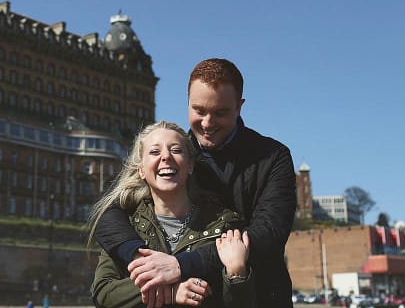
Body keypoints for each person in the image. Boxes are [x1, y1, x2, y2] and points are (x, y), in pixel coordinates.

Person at [94, 58, 297, 307]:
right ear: (187, 102)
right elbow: (105, 211)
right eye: (199, 110)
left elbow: (268, 234)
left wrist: (180, 265)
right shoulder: (176, 153)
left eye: (220, 112)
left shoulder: (273, 156)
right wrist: (141, 259)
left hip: (262, 294)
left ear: (239, 107)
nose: (208, 123)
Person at [90, 121, 255, 308]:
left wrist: (237, 273)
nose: (166, 156)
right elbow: (103, 292)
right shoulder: (126, 227)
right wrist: (171, 291)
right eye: (154, 152)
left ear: (190, 165)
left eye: (176, 150)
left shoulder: (224, 225)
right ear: (141, 170)